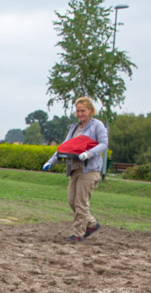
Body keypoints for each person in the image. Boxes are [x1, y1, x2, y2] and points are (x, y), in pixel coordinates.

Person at [42, 96, 109, 242]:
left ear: (90, 110)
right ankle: (91, 224)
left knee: (81, 203)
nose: (80, 114)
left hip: (89, 169)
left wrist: (89, 154)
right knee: (72, 201)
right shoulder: (74, 128)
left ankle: (78, 234)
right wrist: (51, 161)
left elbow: (104, 144)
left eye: (83, 111)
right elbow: (66, 146)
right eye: (78, 111)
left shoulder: (97, 125)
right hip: (75, 168)